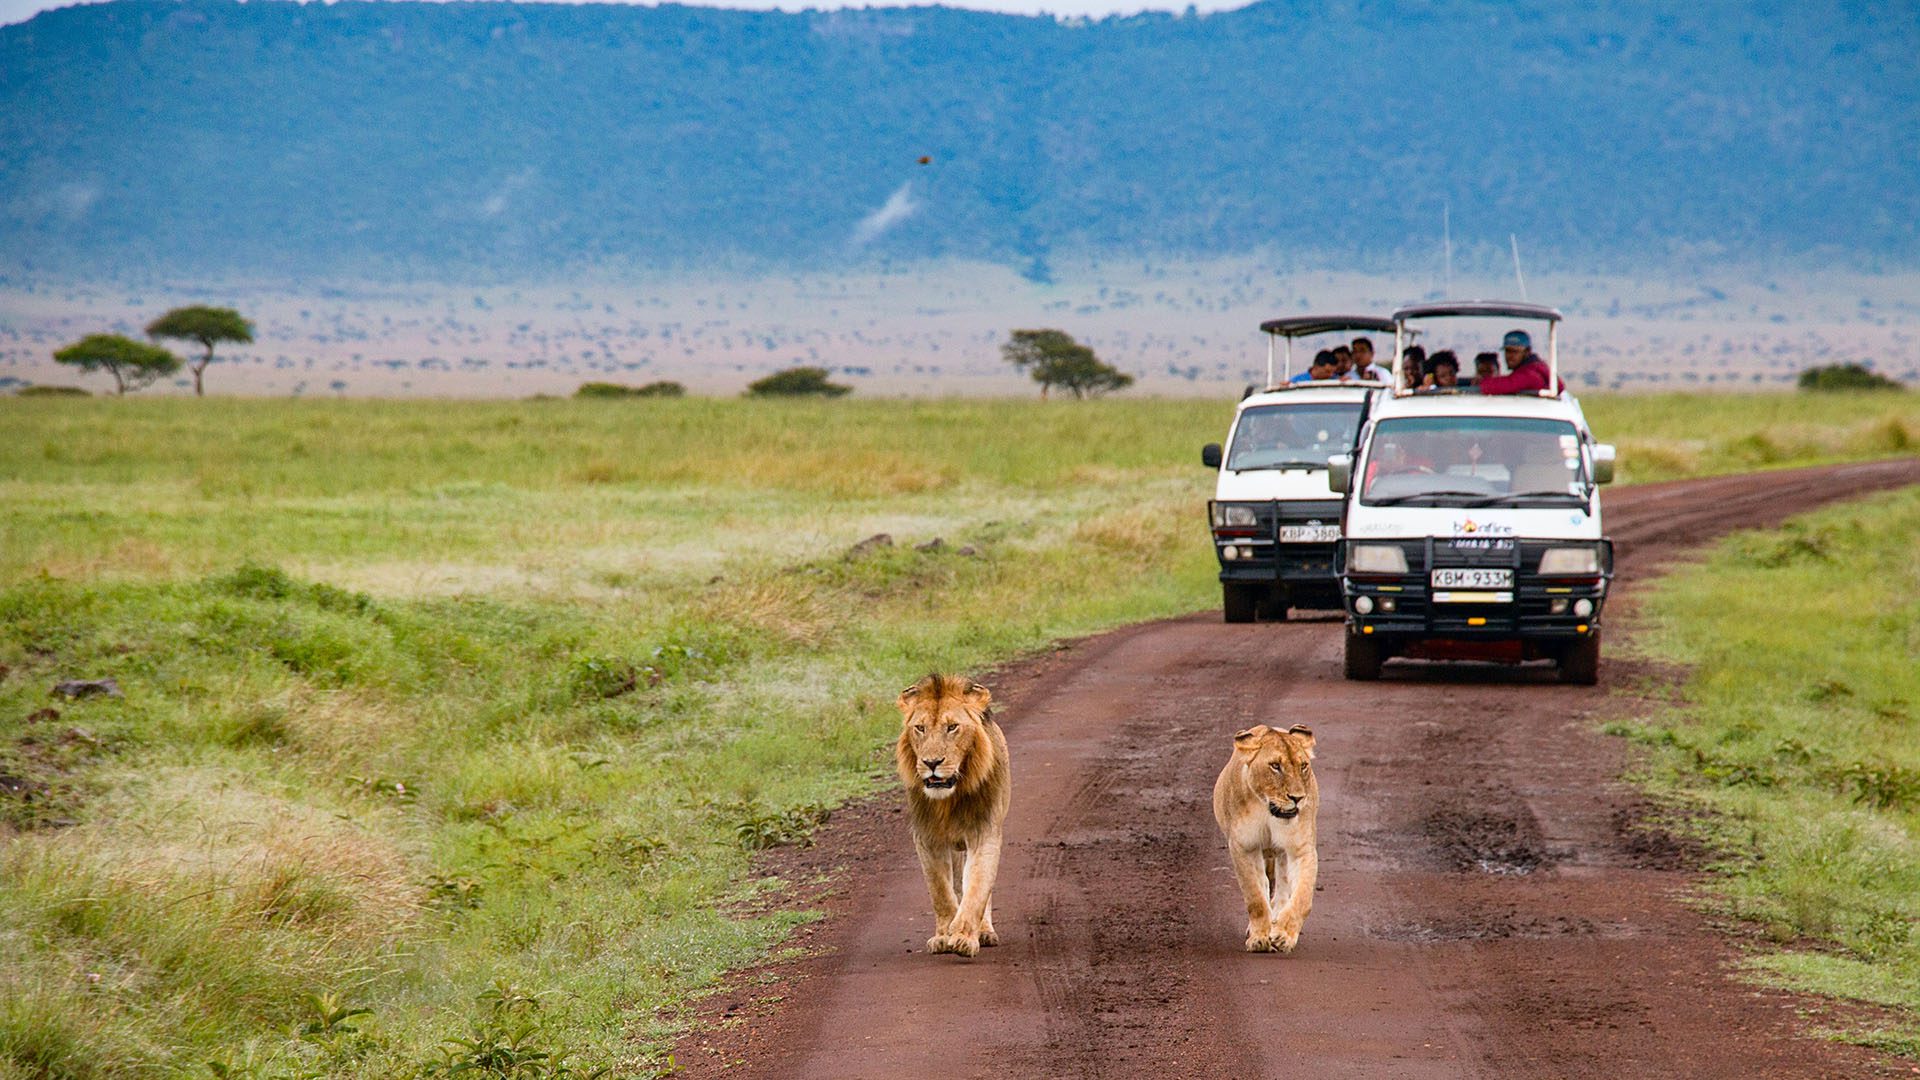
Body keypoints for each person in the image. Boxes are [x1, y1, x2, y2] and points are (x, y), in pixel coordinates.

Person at [1478, 330, 1563, 395]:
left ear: (1527, 352)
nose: (1509, 356)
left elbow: (1509, 384)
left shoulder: (1530, 374)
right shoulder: (1532, 369)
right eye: (1507, 351)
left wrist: (1480, 384)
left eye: (1515, 352)